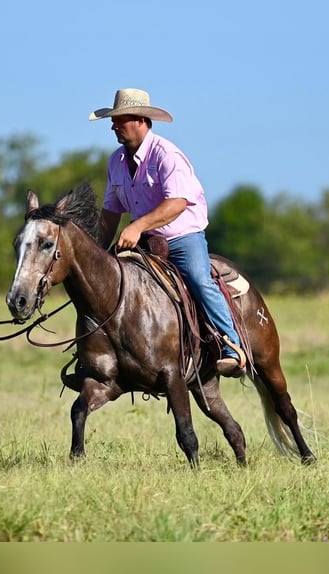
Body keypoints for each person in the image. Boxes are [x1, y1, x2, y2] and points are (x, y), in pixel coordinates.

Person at [89, 88, 246, 377]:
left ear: (140, 120)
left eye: (119, 120)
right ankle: (100, 358)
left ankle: (231, 346)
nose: (113, 126)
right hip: (146, 242)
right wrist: (97, 252)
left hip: (182, 238)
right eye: (113, 121)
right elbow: (111, 212)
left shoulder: (166, 155)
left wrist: (137, 226)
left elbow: (177, 204)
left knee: (199, 280)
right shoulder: (116, 162)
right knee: (107, 286)